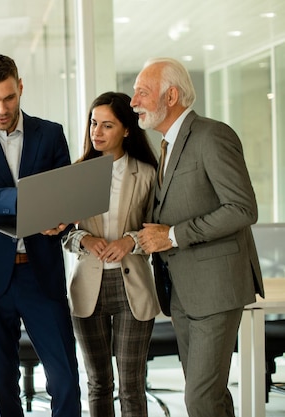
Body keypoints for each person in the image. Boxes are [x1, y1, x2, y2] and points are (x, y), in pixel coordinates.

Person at [132, 58, 264, 417]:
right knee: (211, 396)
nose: (134, 101)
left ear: (170, 95)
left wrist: (173, 236)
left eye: (142, 92)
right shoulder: (164, 146)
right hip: (181, 292)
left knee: (200, 401)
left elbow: (242, 208)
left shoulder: (211, 135)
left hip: (216, 290)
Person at [0, 53, 81, 417]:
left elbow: (65, 193)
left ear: (20, 87)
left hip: (40, 271)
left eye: (8, 97)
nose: (1, 108)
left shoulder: (51, 133)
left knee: (65, 378)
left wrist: (60, 218)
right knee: (1, 383)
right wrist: (31, 201)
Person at [62, 91, 159, 417]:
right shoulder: (77, 174)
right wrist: (86, 240)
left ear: (127, 130)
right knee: (98, 382)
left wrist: (129, 241)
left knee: (131, 385)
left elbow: (158, 231)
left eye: (107, 125)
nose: (97, 132)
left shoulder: (147, 174)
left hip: (133, 285)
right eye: (93, 123)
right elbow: (62, 232)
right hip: (88, 286)